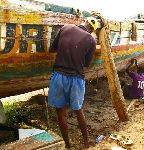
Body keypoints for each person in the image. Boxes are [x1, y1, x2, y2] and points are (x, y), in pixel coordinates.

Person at [48, 17, 99, 149]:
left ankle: (68, 145)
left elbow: (51, 49)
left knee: (61, 113)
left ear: (84, 22)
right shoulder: (91, 40)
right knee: (78, 111)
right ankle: (86, 144)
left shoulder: (65, 27)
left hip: (58, 76)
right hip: (76, 79)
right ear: (93, 30)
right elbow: (86, 64)